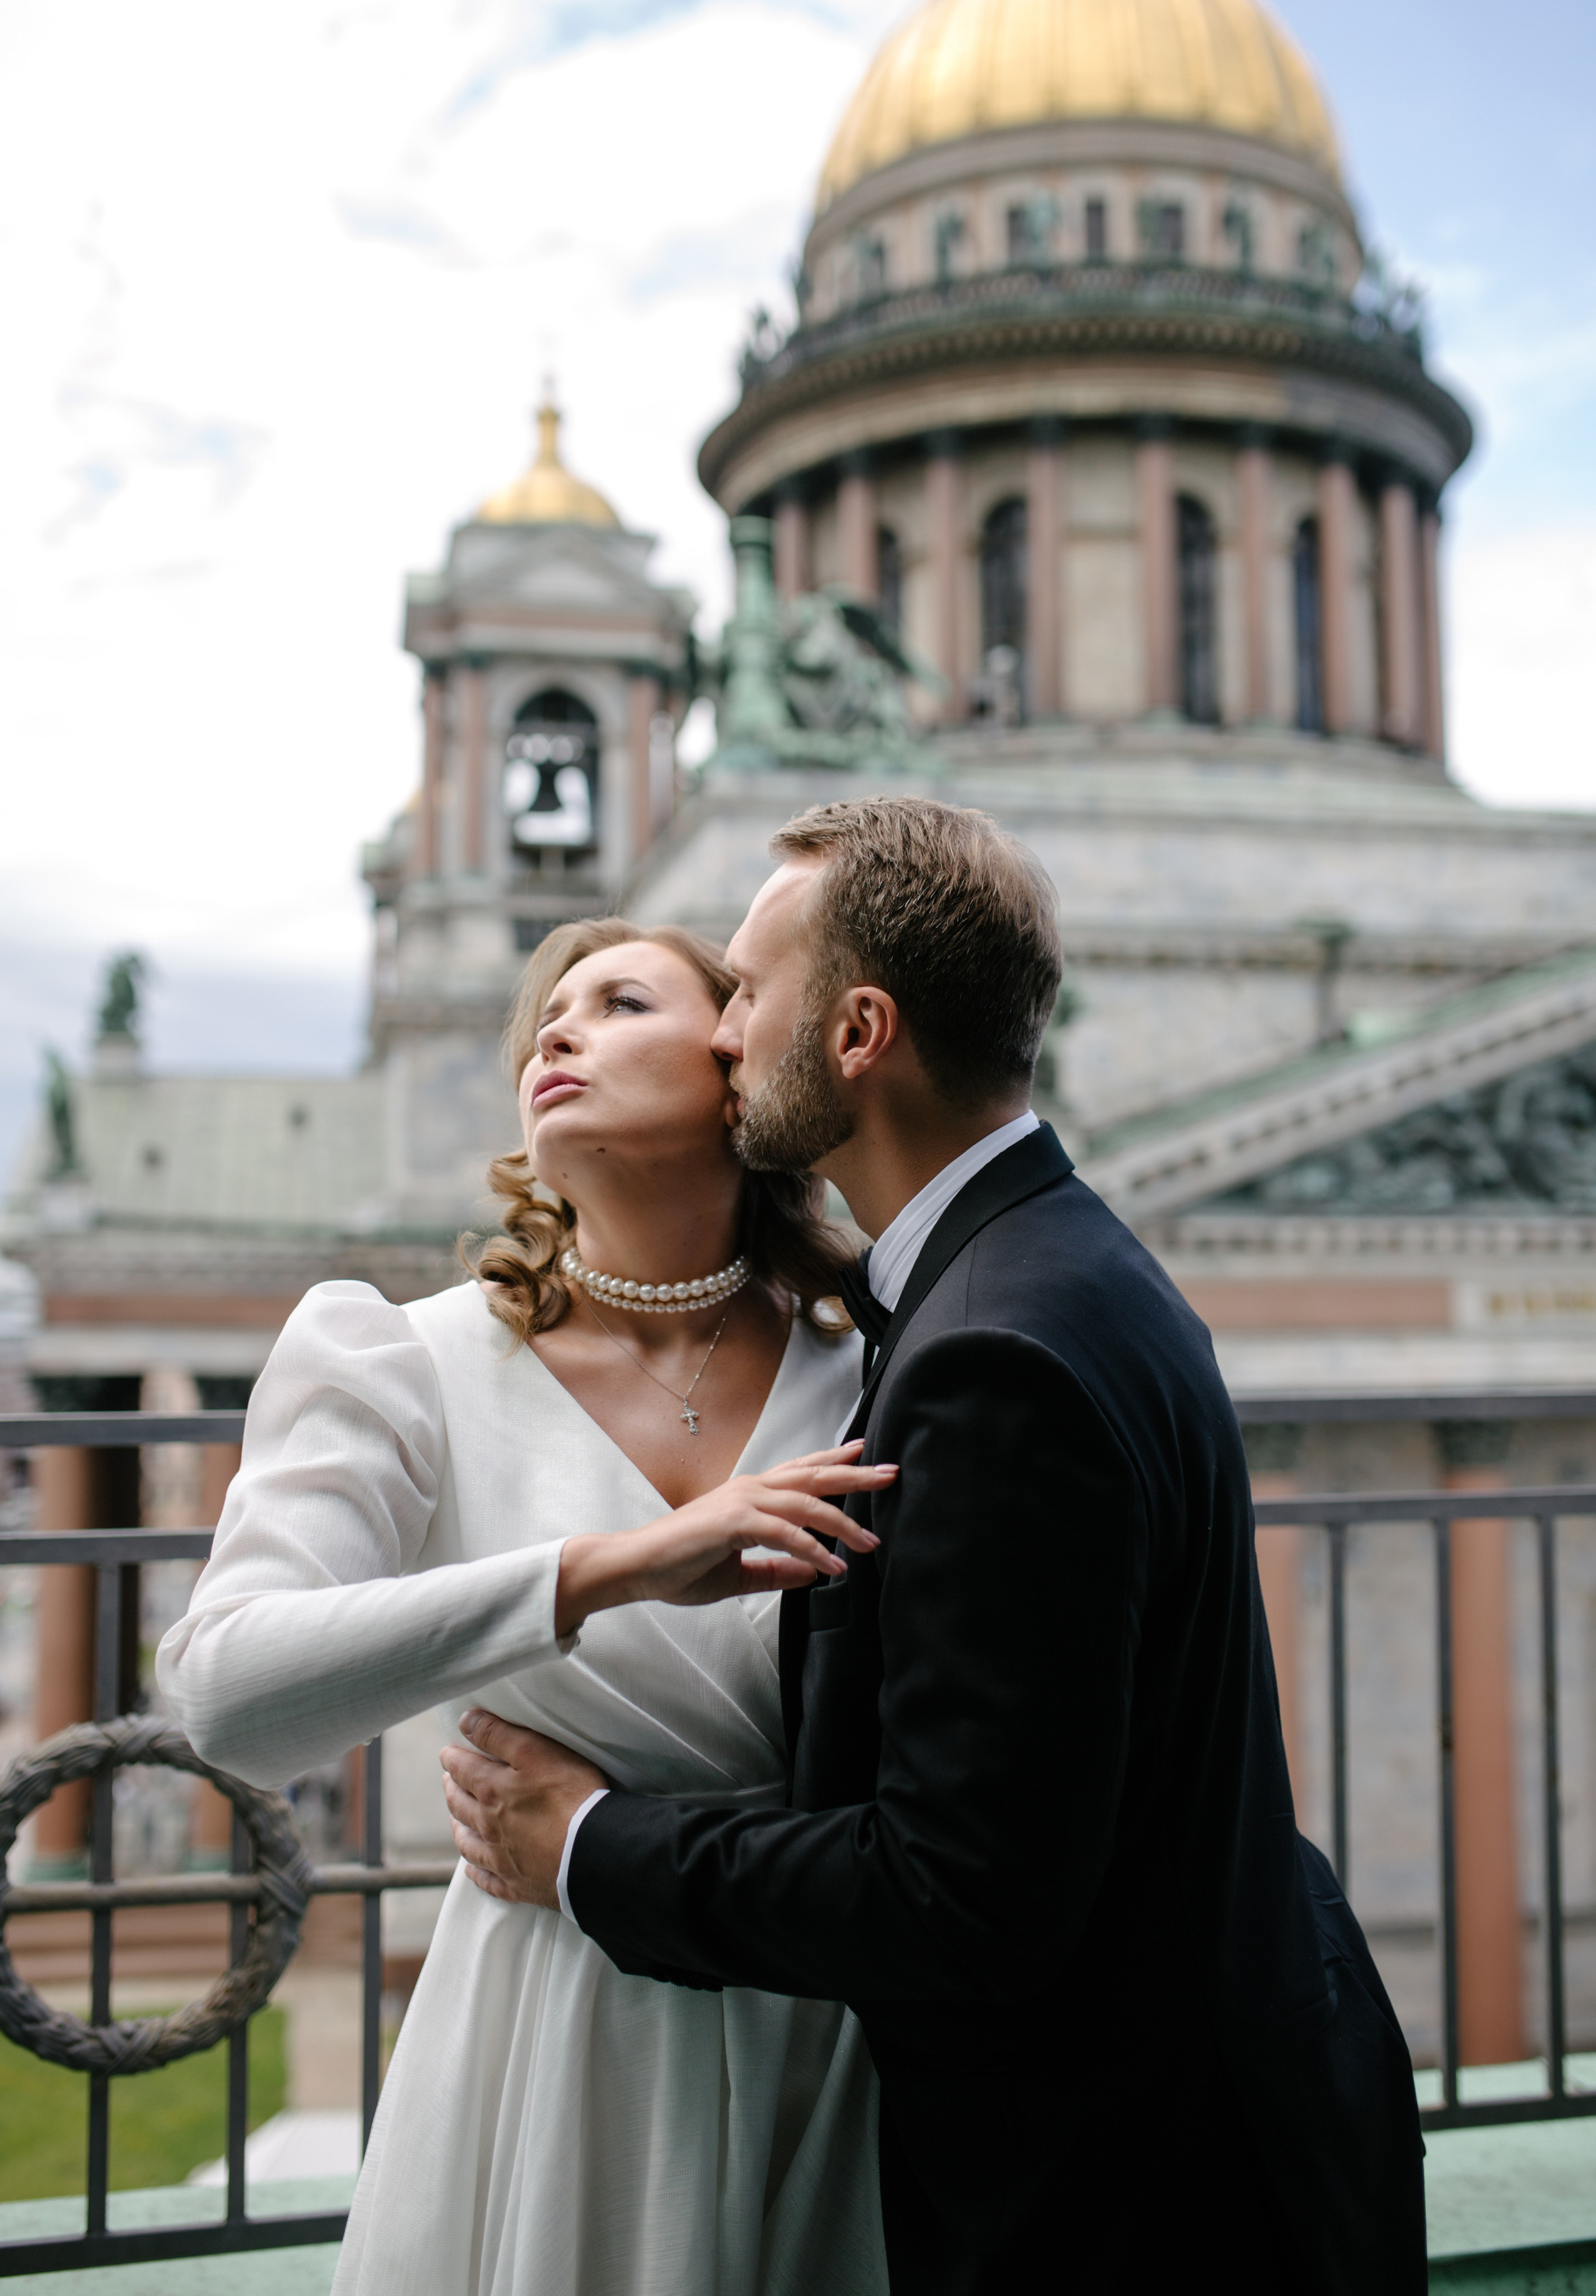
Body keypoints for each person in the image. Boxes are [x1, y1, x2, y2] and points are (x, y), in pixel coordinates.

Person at [440, 797, 1428, 2296]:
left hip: (1118, 2198)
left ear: (856, 1035)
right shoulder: (1048, 1267)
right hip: (1206, 2120)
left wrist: (580, 1842)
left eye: (749, 997)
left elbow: (962, 1897)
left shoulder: (993, 1353)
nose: (721, 1039)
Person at [156, 918, 896, 2296]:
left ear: (739, 1063)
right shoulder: (397, 1357)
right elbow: (227, 1697)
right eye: (545, 1020)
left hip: (833, 2015)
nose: (555, 1035)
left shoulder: (875, 1365)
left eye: (619, 1002)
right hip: (564, 2023)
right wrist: (606, 1568)